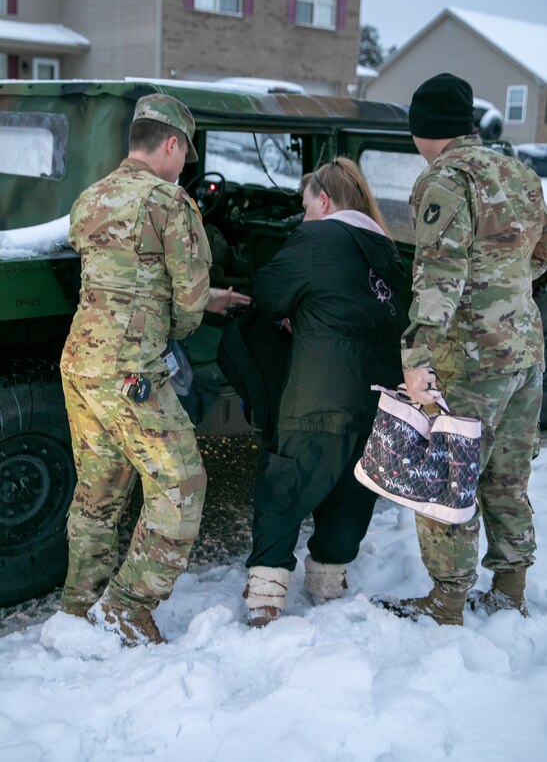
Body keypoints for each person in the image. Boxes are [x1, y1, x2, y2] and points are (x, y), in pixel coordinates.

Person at [374, 73, 547, 626]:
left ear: (422, 130)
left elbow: (438, 275)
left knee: (448, 474)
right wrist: (507, 292)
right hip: (524, 350)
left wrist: (418, 355)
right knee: (507, 476)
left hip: (470, 359)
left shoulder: (444, 180)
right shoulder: (519, 171)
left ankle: (447, 600)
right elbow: (540, 254)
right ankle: (510, 590)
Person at [59, 93, 215, 647]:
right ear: (171, 145)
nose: (183, 167)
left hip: (81, 364)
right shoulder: (171, 204)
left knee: (97, 491)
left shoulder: (89, 198)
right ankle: (125, 607)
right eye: (184, 155)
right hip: (134, 374)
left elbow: (110, 270)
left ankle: (79, 605)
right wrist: (180, 317)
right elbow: (190, 305)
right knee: (181, 487)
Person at [242, 157, 410, 626]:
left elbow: (270, 292)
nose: (303, 216)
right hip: (379, 399)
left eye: (306, 205)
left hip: (320, 393)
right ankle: (328, 581)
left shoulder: (319, 237)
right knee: (351, 489)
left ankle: (265, 596)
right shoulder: (389, 251)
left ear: (325, 199)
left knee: (288, 483)